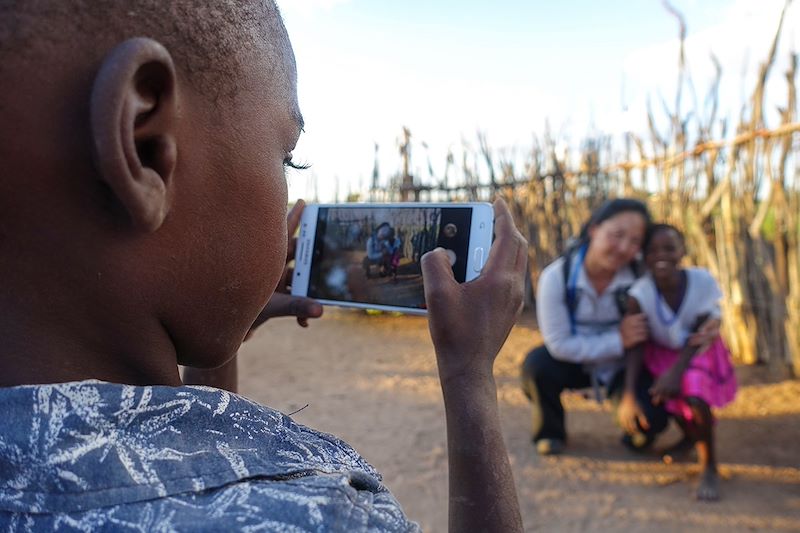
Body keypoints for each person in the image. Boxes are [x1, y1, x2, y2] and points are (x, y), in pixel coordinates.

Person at [0, 2, 527, 532]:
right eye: (287, 157)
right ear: (145, 144)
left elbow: (180, 457)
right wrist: (469, 376)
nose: (288, 194)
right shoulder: (318, 517)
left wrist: (214, 343)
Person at [520, 198, 667, 455]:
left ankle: (634, 428)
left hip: (623, 366)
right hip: (574, 362)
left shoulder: (642, 277)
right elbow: (559, 344)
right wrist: (619, 340)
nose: (624, 248)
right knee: (537, 367)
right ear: (594, 229)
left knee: (651, 420)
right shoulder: (556, 277)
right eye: (617, 235)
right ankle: (550, 432)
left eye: (635, 241)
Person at [617, 224, 736, 501]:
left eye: (669, 248)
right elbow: (636, 344)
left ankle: (709, 466)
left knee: (693, 396)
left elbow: (701, 332)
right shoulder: (640, 294)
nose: (661, 255)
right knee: (668, 397)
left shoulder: (702, 281)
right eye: (653, 250)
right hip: (662, 354)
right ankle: (690, 439)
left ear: (683, 251)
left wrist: (675, 373)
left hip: (698, 351)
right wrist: (629, 394)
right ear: (643, 256)